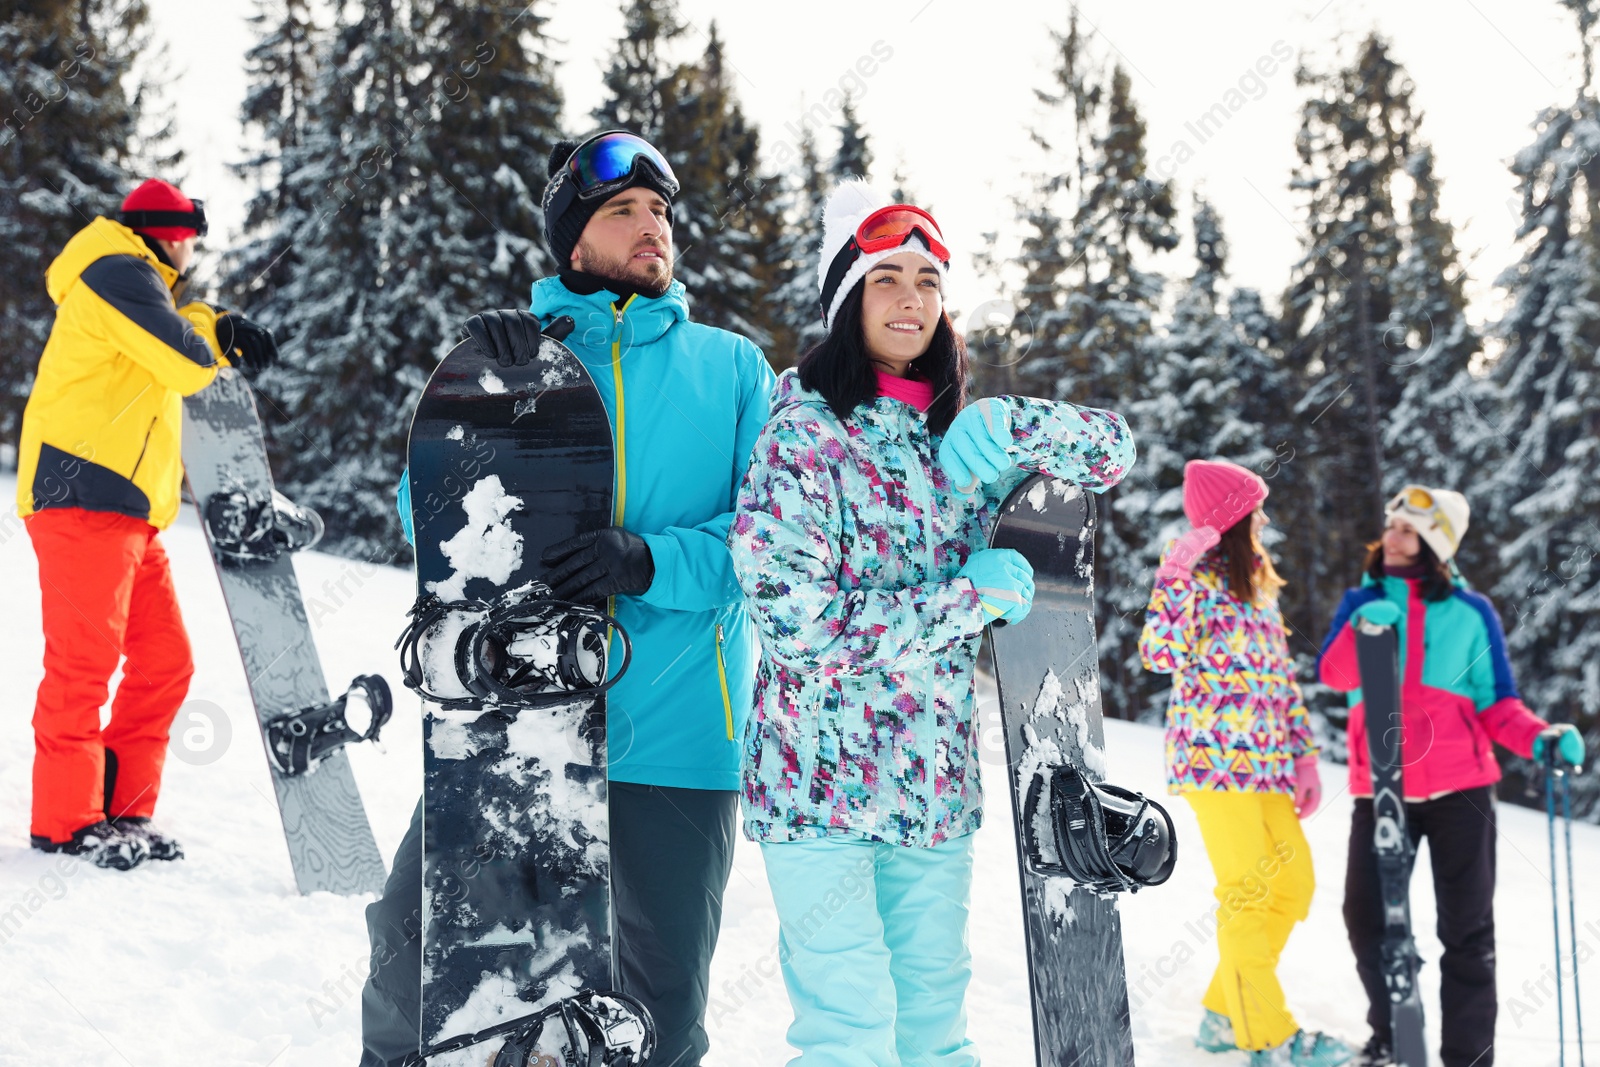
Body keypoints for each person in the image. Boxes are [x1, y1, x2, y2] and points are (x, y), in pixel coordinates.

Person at [363, 131, 776, 1067]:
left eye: (660, 211)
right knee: (410, 947)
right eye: (623, 211)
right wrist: (487, 401)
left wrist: (650, 562)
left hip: (674, 734)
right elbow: (429, 527)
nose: (651, 228)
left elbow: (770, 541)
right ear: (573, 241)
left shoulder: (733, 369)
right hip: (518, 724)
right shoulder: (520, 361)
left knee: (657, 1000)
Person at [729, 180, 1135, 1067]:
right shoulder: (798, 437)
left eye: (927, 279)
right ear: (846, 301)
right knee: (851, 1038)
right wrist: (965, 601)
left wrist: (1012, 417)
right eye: (885, 279)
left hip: (931, 790)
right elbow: (801, 624)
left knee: (936, 1038)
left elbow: (1114, 451)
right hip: (817, 789)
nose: (911, 298)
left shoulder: (958, 442)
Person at [17, 178, 278, 871]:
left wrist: (214, 323)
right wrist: (215, 336)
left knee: (165, 660)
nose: (193, 246)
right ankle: (66, 821)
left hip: (128, 512)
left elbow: (175, 335)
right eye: (190, 234)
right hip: (81, 497)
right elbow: (186, 362)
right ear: (169, 234)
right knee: (82, 665)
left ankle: (123, 810)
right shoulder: (115, 271)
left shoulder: (136, 283)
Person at [1317, 485, 1582, 1067]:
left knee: (1467, 932)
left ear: (1436, 543)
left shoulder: (1471, 612)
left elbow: (1496, 703)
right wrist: (1363, 626)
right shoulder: (1362, 599)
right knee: (1366, 918)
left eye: (1408, 529)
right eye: (1391, 524)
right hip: (1380, 790)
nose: (1393, 535)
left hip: (1461, 790)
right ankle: (1392, 1034)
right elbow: (1333, 675)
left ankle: (1468, 1057)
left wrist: (1540, 737)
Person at [1139, 459, 1353, 1067]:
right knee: (1250, 894)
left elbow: (1281, 680)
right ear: (1231, 517)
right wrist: (1177, 568)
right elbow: (1160, 652)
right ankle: (1270, 1039)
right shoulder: (1193, 579)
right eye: (1253, 506)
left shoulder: (1257, 582)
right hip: (1212, 762)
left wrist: (1305, 760)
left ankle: (1221, 1014)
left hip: (1267, 765)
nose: (1262, 516)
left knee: (1292, 886)